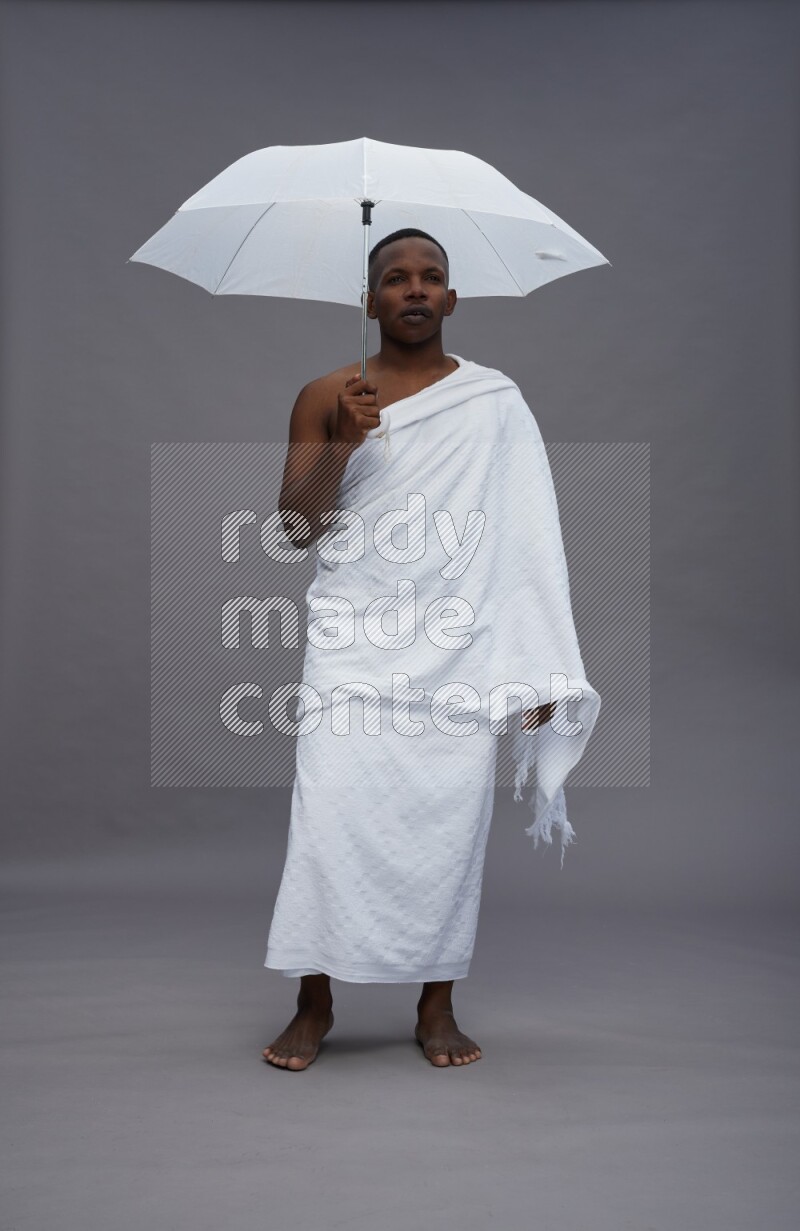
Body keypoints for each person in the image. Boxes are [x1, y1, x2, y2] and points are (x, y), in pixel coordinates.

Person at [262, 229, 593, 1071]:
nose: (413, 288)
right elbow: (296, 527)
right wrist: (344, 442)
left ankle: (436, 1003)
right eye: (394, 278)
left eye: (430, 276)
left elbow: (528, 537)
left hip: (458, 645)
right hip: (352, 639)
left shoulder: (496, 401)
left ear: (452, 298)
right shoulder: (326, 394)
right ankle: (314, 999)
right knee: (327, 817)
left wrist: (535, 663)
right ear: (368, 301)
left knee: (448, 824)